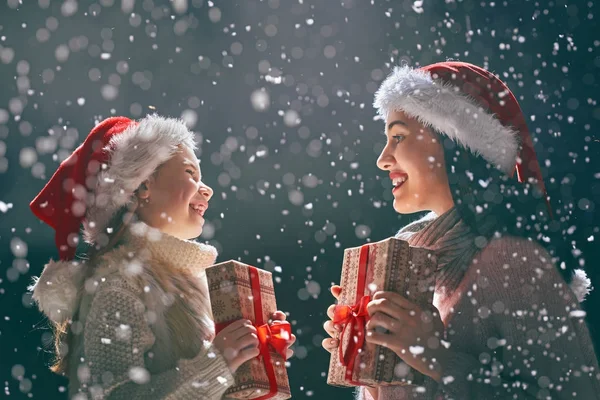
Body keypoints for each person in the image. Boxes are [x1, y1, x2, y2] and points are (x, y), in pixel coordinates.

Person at [322, 62, 600, 399]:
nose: (383, 159)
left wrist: (437, 357)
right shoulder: (410, 267)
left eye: (398, 137)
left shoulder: (513, 262)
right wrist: (372, 364)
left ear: (454, 142)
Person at [29, 115, 294, 399]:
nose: (207, 189)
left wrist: (253, 362)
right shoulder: (118, 285)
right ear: (143, 186)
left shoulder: (194, 285)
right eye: (191, 174)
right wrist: (218, 364)